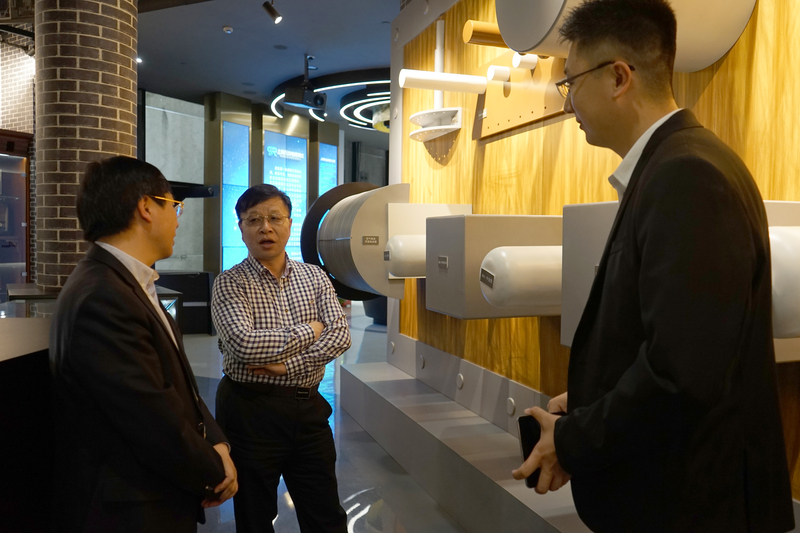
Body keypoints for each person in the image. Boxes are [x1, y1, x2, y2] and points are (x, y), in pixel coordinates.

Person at [512, 1, 796, 531]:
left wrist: (572, 440)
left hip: (694, 506)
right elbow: (670, 339)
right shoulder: (675, 165)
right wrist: (593, 397)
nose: (568, 103)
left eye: (570, 83)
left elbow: (681, 374)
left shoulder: (687, 175)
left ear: (619, 77)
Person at [50, 156, 237, 532]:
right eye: (174, 206)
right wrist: (215, 470)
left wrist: (218, 443)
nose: (178, 220)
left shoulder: (125, 282)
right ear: (146, 207)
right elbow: (150, 417)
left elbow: (177, 387)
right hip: (133, 507)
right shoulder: (103, 295)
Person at [211, 184, 351, 533]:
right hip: (250, 410)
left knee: (326, 514)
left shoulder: (315, 277)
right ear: (241, 228)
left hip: (308, 409)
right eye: (254, 220)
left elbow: (340, 335)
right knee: (255, 516)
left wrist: (288, 365)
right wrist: (310, 330)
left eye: (275, 218)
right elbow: (244, 345)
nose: (266, 228)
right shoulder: (229, 283)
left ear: (289, 224)